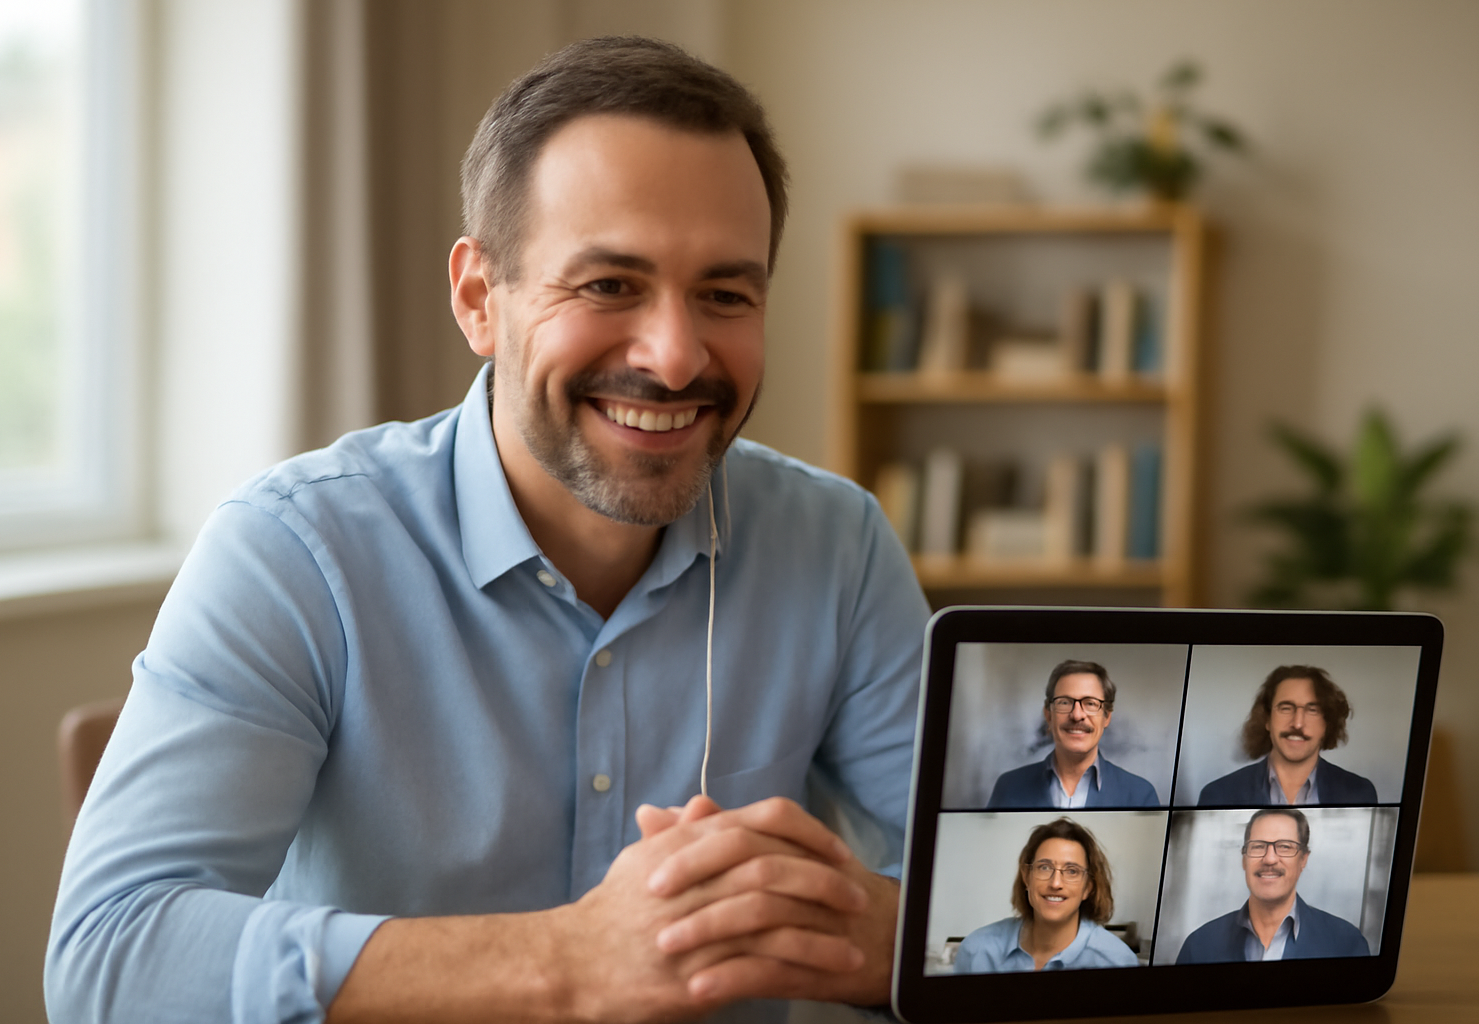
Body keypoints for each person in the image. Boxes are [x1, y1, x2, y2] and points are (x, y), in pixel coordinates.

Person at [45, 37, 931, 1024]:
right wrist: (570, 961)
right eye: (607, 285)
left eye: (725, 294)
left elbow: (1037, 921)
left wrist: (884, 938)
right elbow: (110, 961)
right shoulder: (295, 549)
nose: (677, 357)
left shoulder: (838, 545)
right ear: (479, 298)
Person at [1174, 808, 1370, 963]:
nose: (1269, 859)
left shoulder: (1346, 942)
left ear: (1303, 859)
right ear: (1244, 859)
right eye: (1258, 846)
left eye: (1285, 847)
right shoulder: (1199, 945)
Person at [953, 818, 1139, 973]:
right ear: (1027, 878)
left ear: (1088, 888)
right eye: (1044, 867)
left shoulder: (1117, 962)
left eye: (1072, 871)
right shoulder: (976, 950)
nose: (1056, 883)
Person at [986, 660, 1160, 808]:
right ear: (1048, 714)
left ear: (1106, 717)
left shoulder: (1141, 795)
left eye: (1090, 703)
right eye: (1065, 702)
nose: (1077, 715)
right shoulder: (1008, 787)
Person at [1196, 665, 1377, 806]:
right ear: (1267, 719)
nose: (1297, 723)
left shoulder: (1360, 792)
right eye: (1285, 708)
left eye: (1312, 710)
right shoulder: (1218, 794)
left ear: (1326, 724)